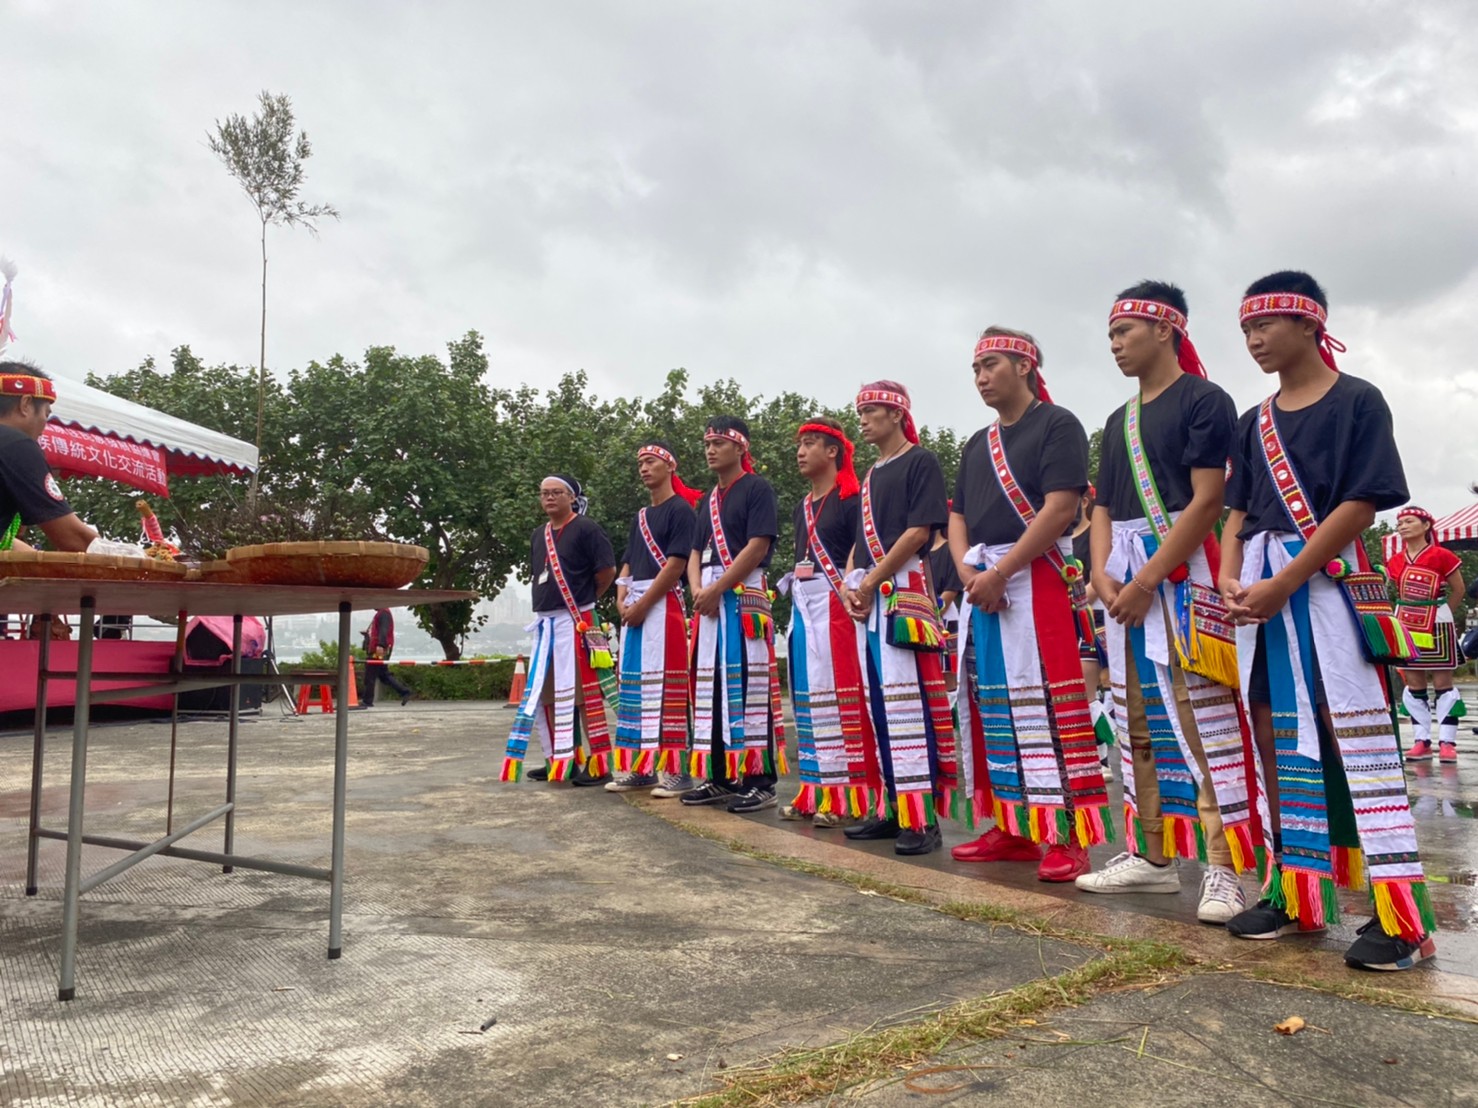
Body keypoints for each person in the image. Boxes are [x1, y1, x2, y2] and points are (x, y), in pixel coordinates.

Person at [1220, 270, 1435, 971]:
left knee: (1357, 743)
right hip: (1264, 602)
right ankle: (1296, 892)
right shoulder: (1254, 421)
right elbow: (1238, 511)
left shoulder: (1357, 402)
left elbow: (1363, 503)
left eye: (1265, 325)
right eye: (1246, 329)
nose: (1253, 340)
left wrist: (1283, 579)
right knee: (1273, 739)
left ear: (1311, 324)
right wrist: (1230, 572)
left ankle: (1398, 913)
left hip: (1328, 595)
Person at [1074, 282, 1264, 925]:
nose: (1115, 344)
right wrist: (1101, 572)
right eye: (1110, 335)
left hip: (1182, 578)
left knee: (1201, 720)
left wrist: (1147, 579)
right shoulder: (1116, 419)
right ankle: (1151, 857)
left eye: (1124, 330)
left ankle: (1225, 865)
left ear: (1165, 328)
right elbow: (1101, 507)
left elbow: (1208, 500)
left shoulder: (1205, 401)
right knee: (1137, 724)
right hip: (1123, 583)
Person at [948, 329, 1111, 882]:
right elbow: (959, 517)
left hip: (1034, 580)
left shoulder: (1057, 425)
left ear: (1024, 364)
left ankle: (1068, 834)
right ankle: (1013, 825)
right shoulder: (976, 444)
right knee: (993, 706)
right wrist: (970, 571)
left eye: (990, 364)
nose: (981, 378)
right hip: (986, 585)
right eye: (975, 369)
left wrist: (999, 572)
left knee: (1049, 703)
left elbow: (1062, 506)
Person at [842, 382, 955, 856]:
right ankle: (892, 807)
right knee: (880, 707)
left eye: (871, 410)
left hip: (903, 590)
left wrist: (870, 582)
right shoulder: (870, 475)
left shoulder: (919, 461)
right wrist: (852, 582)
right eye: (861, 411)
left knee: (910, 705)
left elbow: (919, 532)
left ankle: (921, 816)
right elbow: (858, 544)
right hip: (871, 596)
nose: (863, 419)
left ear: (896, 414)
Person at [681, 416, 786, 813]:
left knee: (749, 687)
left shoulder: (756, 488)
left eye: (719, 442)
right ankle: (721, 775)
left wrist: (717, 588)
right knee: (712, 689)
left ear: (740, 448)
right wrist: (697, 590)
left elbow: (758, 545)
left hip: (741, 601)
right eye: (707, 442)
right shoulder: (707, 501)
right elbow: (694, 552)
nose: (710, 449)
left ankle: (760, 780)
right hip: (708, 603)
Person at [778, 416, 869, 827]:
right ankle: (814, 788)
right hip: (805, 604)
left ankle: (848, 792)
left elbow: (859, 553)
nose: (801, 451)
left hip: (837, 604)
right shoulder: (802, 506)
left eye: (811, 443)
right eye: (800, 444)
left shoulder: (852, 500)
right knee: (809, 698)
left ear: (833, 451)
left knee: (841, 693)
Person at [501, 475, 617, 787]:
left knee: (584, 695)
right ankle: (561, 759)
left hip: (577, 620)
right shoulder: (539, 535)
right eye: (544, 493)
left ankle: (599, 764)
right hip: (546, 624)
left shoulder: (586, 528)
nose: (549, 498)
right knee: (549, 693)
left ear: (571, 497)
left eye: (556, 493)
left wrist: (586, 599)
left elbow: (607, 571)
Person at [607, 441, 701, 797]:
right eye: (641, 464)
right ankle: (640, 767)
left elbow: (676, 563)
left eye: (651, 462)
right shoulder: (641, 516)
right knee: (634, 686)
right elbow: (628, 560)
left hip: (663, 606)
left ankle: (676, 771)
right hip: (635, 603)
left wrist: (644, 602)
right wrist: (621, 595)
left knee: (666, 687)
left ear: (669, 467)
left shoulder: (681, 510)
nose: (644, 468)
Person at [1388, 506, 1465, 763]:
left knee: (1443, 683)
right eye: (1399, 523)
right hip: (1407, 623)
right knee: (1414, 683)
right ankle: (1422, 741)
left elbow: (1458, 589)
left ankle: (1448, 742)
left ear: (1426, 525)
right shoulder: (1395, 561)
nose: (1403, 526)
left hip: (1436, 620)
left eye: (1409, 521)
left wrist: (1442, 613)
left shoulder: (1442, 555)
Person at [0, 363, 97, 553]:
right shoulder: (15, 444)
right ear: (25, 404)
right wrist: (141, 560)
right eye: (46, 414)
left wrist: (37, 558)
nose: (44, 426)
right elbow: (74, 539)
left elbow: (5, 541)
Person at [360, 607, 412, 707]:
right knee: (383, 674)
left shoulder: (384, 613)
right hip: (380, 648)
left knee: (370, 673)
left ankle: (367, 701)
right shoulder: (382, 613)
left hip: (379, 649)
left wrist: (381, 644)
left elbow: (384, 629)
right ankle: (404, 691)